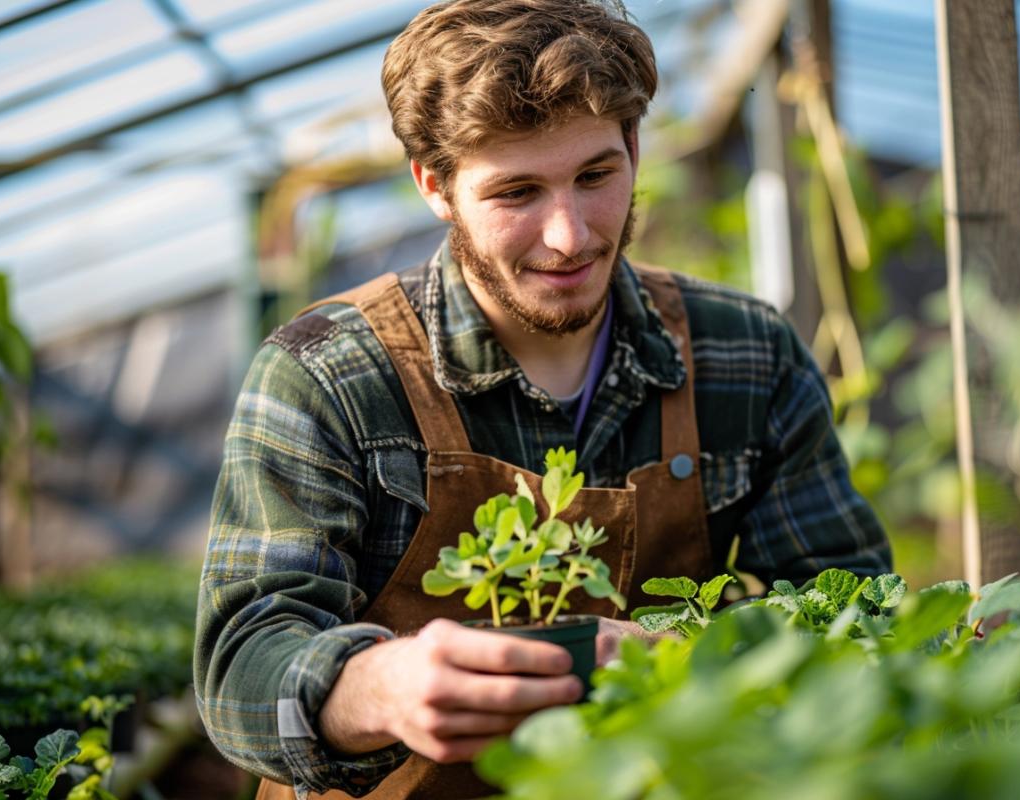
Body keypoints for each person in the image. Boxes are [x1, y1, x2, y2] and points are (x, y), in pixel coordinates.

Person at [194, 1, 892, 797]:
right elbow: (240, 664)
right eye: (516, 192)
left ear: (634, 145)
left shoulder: (748, 355)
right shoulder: (327, 372)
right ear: (436, 186)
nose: (570, 235)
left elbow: (854, 612)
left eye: (596, 175)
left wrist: (700, 660)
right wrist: (382, 684)